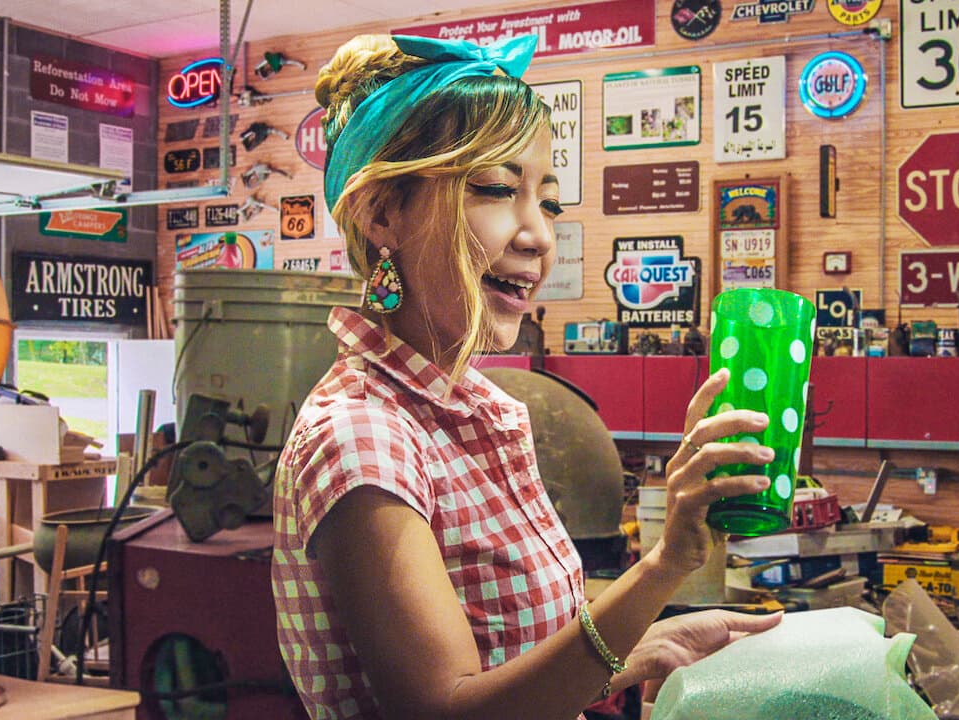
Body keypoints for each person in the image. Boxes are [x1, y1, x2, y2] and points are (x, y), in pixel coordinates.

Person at [272, 33, 783, 720]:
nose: (539, 235)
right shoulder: (363, 435)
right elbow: (450, 712)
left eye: (548, 203)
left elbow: (509, 676)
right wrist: (662, 566)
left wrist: (647, 646)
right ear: (382, 213)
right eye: (496, 189)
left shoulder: (469, 406)